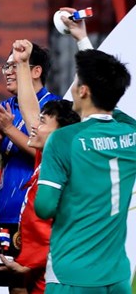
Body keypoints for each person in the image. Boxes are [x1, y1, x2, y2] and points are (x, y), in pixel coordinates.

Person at [35, 49, 134, 293]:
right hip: (117, 275)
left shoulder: (62, 139)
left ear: (83, 91)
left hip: (73, 273)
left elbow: (44, 207)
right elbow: (113, 108)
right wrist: (82, 40)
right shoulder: (131, 136)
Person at [0, 43, 60, 293]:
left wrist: (10, 130)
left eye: (13, 65)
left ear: (35, 71)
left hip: (38, 216)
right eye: (6, 66)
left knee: (39, 284)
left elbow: (47, 152)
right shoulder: (5, 109)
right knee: (13, 287)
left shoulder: (56, 109)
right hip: (6, 213)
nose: (7, 72)